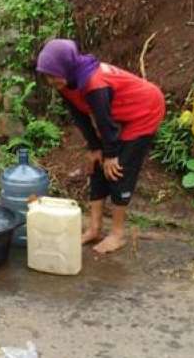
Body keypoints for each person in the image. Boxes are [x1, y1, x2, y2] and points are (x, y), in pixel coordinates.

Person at [36, 39, 165, 254]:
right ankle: (94, 228)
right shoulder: (66, 81)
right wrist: (94, 148)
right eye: (47, 76)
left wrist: (112, 154)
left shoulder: (94, 83)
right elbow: (81, 116)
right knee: (96, 166)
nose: (50, 81)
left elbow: (104, 121)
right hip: (119, 112)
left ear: (66, 67)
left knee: (118, 170)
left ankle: (117, 234)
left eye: (53, 75)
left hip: (145, 109)